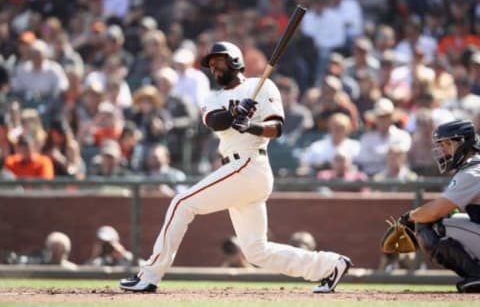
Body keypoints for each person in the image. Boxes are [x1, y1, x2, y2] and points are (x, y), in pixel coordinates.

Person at [120, 41, 351, 293]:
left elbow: (276, 128)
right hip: (238, 170)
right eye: (211, 65)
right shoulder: (213, 97)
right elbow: (215, 121)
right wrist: (236, 114)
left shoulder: (260, 85)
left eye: (219, 62)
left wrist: (250, 125)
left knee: (181, 203)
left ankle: (150, 274)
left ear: (235, 61)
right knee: (256, 251)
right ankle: (329, 265)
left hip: (250, 163)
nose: (215, 69)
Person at [398, 120, 480, 293]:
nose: (443, 150)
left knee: (432, 225)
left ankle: (478, 276)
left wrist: (408, 217)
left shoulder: (473, 170)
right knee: (447, 218)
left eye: (448, 144)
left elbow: (435, 211)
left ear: (464, 142)